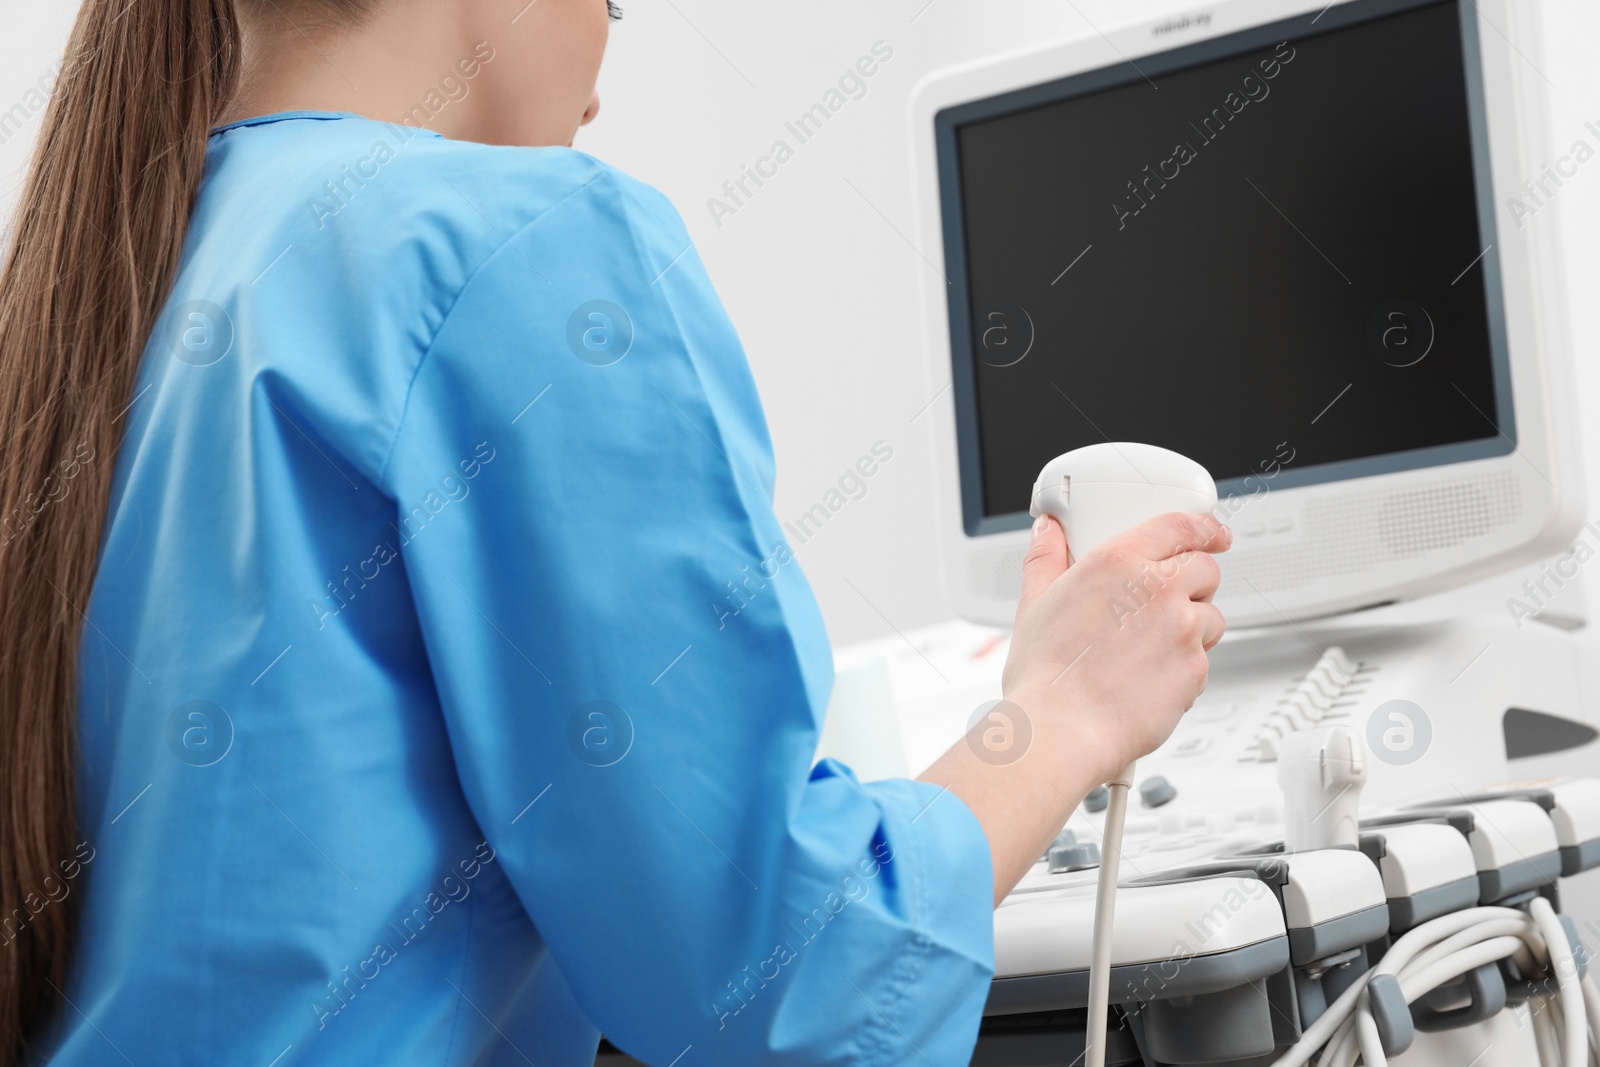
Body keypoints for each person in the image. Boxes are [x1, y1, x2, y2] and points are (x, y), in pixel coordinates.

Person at [0, 0, 1229, 1063]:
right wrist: (1064, 707)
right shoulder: (510, 239)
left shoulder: (112, 293)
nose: (598, 86)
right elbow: (771, 978)